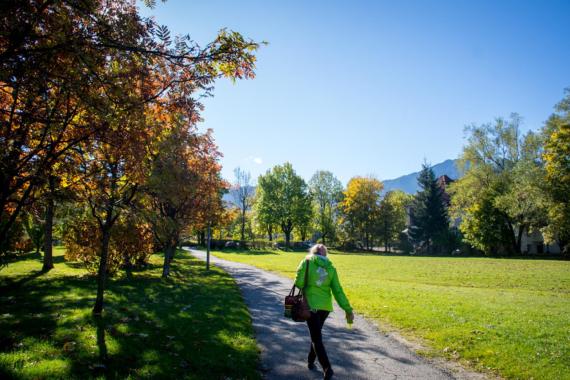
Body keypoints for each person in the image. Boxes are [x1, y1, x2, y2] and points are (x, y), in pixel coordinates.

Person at [294, 243, 354, 380]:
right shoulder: (331, 268)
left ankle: (327, 368)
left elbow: (299, 283)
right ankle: (310, 360)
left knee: (316, 337)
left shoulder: (307, 262)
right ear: (325, 254)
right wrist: (347, 309)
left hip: (311, 306)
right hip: (325, 308)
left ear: (313, 252)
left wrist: (302, 274)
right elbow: (338, 291)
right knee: (316, 334)